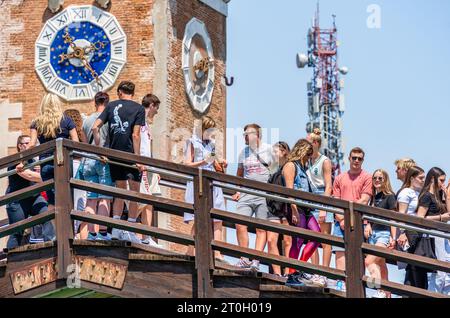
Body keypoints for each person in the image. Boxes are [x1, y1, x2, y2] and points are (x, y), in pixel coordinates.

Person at [92, 81, 146, 243]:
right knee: (135, 193)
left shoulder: (111, 106)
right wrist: (138, 159)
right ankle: (130, 229)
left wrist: (100, 149)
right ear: (132, 93)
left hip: (114, 154)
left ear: (120, 92)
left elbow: (95, 127)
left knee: (120, 191)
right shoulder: (138, 109)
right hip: (130, 155)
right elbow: (136, 135)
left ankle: (116, 228)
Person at [232, 124, 276, 271]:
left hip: (263, 194)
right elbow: (239, 174)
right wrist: (238, 190)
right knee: (240, 224)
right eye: (244, 133)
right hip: (246, 193)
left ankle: (255, 260)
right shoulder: (242, 153)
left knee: (261, 228)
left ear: (257, 135)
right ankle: (244, 258)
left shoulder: (269, 149)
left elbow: (277, 171)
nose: (245, 136)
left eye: (248, 133)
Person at [184, 116, 227, 260]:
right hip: (199, 181)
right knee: (199, 218)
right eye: (209, 131)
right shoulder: (192, 142)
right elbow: (187, 164)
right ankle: (191, 251)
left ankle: (217, 253)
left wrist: (222, 164)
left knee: (218, 218)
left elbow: (215, 162)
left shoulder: (212, 144)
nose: (211, 134)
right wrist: (203, 162)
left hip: (213, 182)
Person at [331, 147, 372, 292]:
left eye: (359, 158)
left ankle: (358, 288)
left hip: (359, 221)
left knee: (358, 256)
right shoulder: (339, 177)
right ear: (349, 158)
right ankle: (340, 282)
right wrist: (342, 219)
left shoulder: (367, 177)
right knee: (340, 252)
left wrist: (348, 216)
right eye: (354, 157)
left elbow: (365, 199)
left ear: (363, 160)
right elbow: (336, 200)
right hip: (340, 221)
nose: (356, 161)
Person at [30, 93, 79, 212]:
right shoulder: (67, 120)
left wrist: (22, 162)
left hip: (46, 163)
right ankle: (66, 229)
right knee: (66, 197)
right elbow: (76, 142)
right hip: (64, 163)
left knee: (52, 199)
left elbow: (31, 144)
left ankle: (55, 230)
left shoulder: (37, 122)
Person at [282, 139, 321, 287]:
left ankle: (299, 267)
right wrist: (293, 209)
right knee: (297, 241)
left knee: (316, 236)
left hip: (306, 208)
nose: (309, 158)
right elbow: (290, 190)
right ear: (302, 151)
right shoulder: (291, 165)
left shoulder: (303, 168)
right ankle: (292, 273)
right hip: (296, 207)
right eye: (308, 154)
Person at [5, 136, 55, 249]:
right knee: (17, 232)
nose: (30, 145)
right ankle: (10, 260)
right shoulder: (16, 160)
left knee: (47, 216)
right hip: (17, 201)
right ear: (20, 146)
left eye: (31, 143)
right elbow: (29, 175)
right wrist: (51, 176)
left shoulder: (33, 161)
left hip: (34, 198)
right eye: (27, 143)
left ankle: (51, 247)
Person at [405, 168, 450, 291]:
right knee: (439, 272)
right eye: (441, 180)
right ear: (432, 179)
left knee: (445, 273)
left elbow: (449, 214)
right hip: (432, 237)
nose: (443, 183)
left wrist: (447, 196)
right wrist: (440, 217)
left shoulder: (438, 196)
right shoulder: (426, 196)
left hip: (441, 236)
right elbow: (420, 218)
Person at [79, 92, 114, 241]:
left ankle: (91, 233)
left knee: (91, 199)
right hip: (103, 160)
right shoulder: (108, 119)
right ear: (108, 103)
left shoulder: (86, 121)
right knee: (104, 197)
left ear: (95, 102)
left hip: (88, 160)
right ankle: (103, 233)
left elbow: (85, 143)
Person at [307, 128, 333, 287]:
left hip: (321, 198)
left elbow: (328, 185)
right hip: (309, 198)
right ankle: (314, 271)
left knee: (324, 239)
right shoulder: (307, 160)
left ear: (315, 143)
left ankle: (324, 272)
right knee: (311, 239)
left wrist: (323, 208)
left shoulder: (325, 160)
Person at [364, 169, 397, 298]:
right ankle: (388, 294)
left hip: (384, 234)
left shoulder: (390, 196)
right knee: (381, 264)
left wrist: (393, 237)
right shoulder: (372, 197)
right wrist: (368, 224)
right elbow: (371, 216)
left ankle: (380, 290)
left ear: (385, 180)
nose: (377, 180)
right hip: (372, 235)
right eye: (375, 178)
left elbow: (393, 218)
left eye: (380, 178)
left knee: (369, 261)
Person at [139, 93, 162, 247]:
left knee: (150, 201)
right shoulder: (139, 120)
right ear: (152, 105)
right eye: (157, 108)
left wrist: (155, 169)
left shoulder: (147, 124)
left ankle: (147, 236)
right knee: (142, 200)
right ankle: (139, 235)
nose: (157, 112)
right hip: (142, 166)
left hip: (149, 167)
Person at [266, 141, 292, 276]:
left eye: (276, 151)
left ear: (284, 152)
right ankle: (277, 273)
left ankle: (287, 272)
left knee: (288, 241)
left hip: (286, 210)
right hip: (273, 210)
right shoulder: (274, 170)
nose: (273, 154)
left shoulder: (289, 167)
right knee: (271, 240)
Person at [64, 109, 88, 238]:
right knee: (81, 205)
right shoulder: (81, 134)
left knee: (68, 201)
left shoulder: (63, 131)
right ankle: (82, 238)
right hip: (80, 167)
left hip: (66, 167)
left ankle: (70, 233)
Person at [395, 166, 426, 250]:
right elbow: (401, 214)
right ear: (412, 178)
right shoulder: (406, 192)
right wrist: (402, 233)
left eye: (424, 178)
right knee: (406, 261)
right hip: (407, 232)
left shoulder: (420, 193)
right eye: (420, 178)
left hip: (417, 231)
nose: (423, 180)